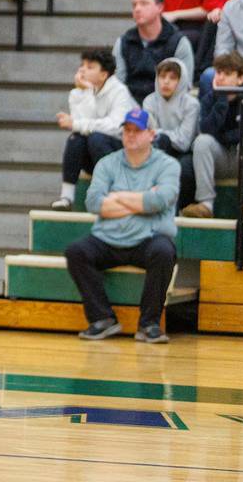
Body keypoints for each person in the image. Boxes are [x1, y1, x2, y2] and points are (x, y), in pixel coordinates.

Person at [62, 108, 179, 344]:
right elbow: (94, 203)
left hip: (149, 238)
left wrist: (115, 197)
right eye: (127, 130)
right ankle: (103, 319)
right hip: (108, 238)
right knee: (76, 251)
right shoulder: (107, 164)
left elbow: (160, 200)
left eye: (137, 130)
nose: (131, 135)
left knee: (164, 252)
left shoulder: (168, 165)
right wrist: (142, 198)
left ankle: (149, 324)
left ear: (151, 134)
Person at [54, 47, 137, 209]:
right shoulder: (80, 92)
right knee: (76, 139)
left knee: (96, 138)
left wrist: (77, 124)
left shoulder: (120, 92)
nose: (82, 70)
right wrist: (83, 92)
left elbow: (116, 126)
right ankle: (67, 197)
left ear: (104, 74)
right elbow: (80, 127)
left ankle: (114, 191)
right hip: (96, 153)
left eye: (90, 67)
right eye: (82, 65)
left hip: (122, 154)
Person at [185, 51, 243, 220]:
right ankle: (206, 204)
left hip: (242, 158)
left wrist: (225, 136)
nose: (220, 77)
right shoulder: (210, 98)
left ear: (241, 78)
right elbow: (205, 129)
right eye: (218, 72)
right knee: (202, 142)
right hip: (220, 159)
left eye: (227, 74)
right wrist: (222, 101)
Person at [114, 0, 195, 105]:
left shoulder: (178, 42)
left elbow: (184, 85)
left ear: (160, 7)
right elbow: (118, 84)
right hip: (130, 107)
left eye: (144, 4)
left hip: (166, 106)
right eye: (134, 5)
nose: (137, 9)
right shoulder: (123, 42)